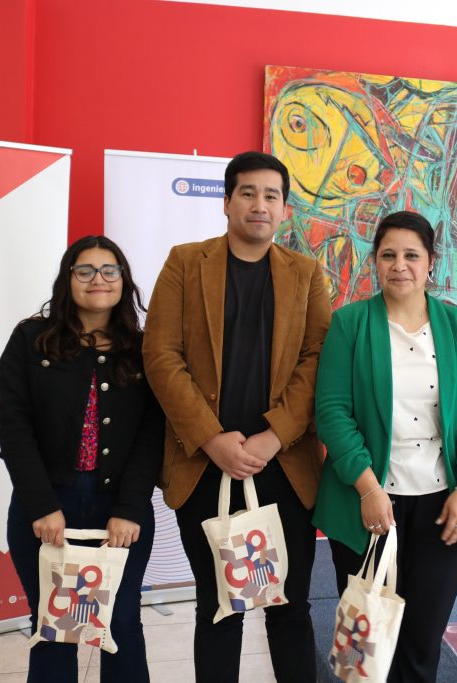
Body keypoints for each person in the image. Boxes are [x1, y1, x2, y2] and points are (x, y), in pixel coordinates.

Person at [142, 151, 332, 683]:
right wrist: (210, 438)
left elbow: (318, 358)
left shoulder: (306, 273)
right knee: (220, 607)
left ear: (284, 210)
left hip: (283, 469)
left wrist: (275, 436)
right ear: (226, 202)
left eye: (271, 196)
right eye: (248, 193)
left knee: (289, 608)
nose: (259, 205)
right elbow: (161, 355)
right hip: (206, 467)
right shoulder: (185, 262)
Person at [313, 210, 457, 682]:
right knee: (367, 645)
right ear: (375, 261)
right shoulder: (350, 324)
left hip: (442, 504)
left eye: (412, 255)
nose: (400, 265)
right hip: (366, 502)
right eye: (388, 254)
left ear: (430, 261)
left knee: (421, 643)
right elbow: (332, 412)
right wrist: (369, 489)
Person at [0, 236, 162, 682]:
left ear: (123, 281)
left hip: (119, 511)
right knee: (55, 628)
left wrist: (129, 510)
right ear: (67, 279)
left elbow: (152, 435)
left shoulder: (143, 349)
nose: (98, 280)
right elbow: (13, 428)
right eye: (84, 270)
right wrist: (42, 505)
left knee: (121, 623)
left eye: (110, 270)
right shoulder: (32, 339)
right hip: (47, 506)